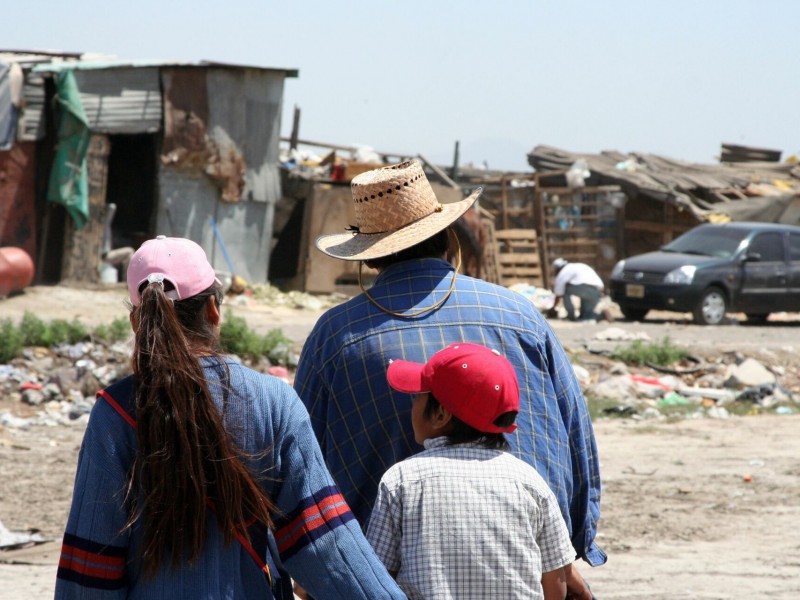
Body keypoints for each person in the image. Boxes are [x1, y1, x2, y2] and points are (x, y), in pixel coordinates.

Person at [294, 159, 604, 598]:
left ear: (370, 255)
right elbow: (575, 439)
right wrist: (570, 550)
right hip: (528, 563)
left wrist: (312, 570)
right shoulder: (519, 316)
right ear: (447, 236)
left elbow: (300, 462)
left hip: (375, 580)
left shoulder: (338, 333)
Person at [54, 235, 405, 600]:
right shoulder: (275, 401)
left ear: (135, 321)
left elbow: (91, 563)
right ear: (213, 311)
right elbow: (326, 540)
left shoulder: (115, 413)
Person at [367, 342, 576, 599]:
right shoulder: (529, 481)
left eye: (419, 397)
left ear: (440, 414)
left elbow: (377, 577)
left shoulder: (401, 480)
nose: (413, 406)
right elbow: (556, 582)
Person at [550, 257, 606, 321]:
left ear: (557, 268)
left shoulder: (564, 271)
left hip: (587, 291)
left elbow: (559, 293)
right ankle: (599, 316)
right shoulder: (577, 266)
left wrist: (553, 308)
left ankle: (570, 316)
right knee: (585, 317)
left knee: (565, 290)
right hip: (597, 292)